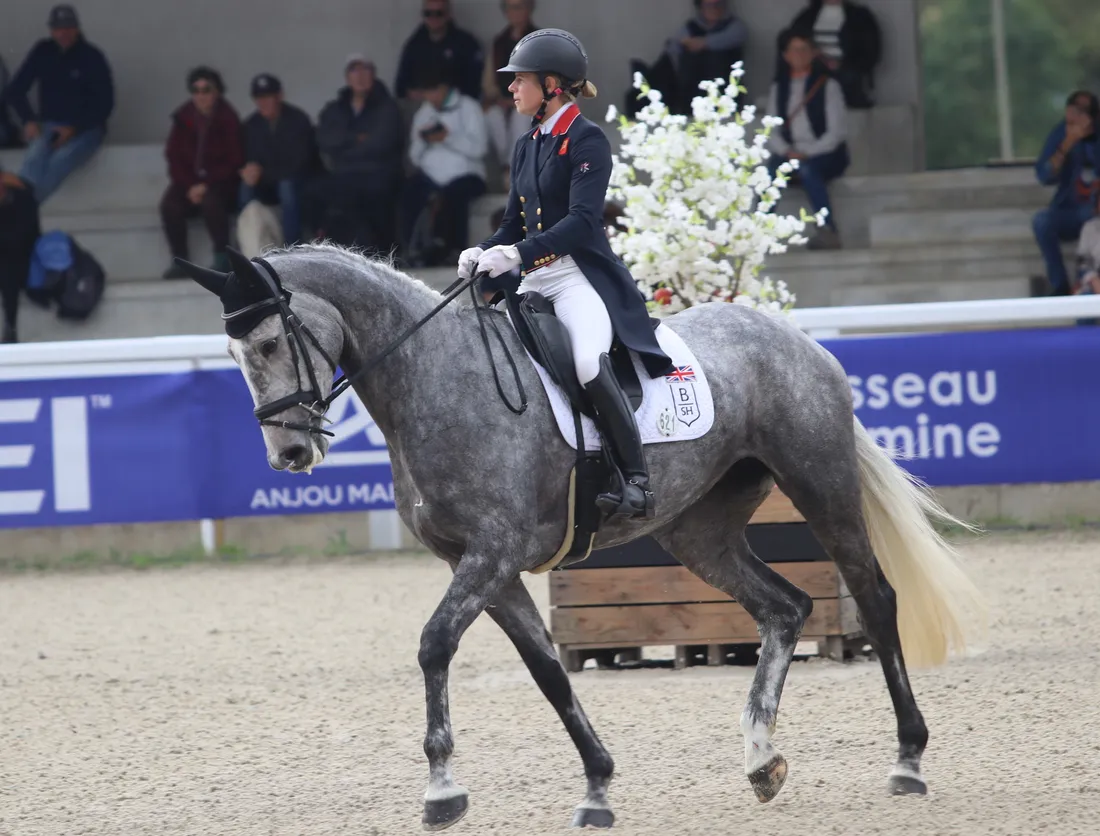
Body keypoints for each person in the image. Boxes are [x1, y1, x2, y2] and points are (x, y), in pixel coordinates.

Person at [457, 29, 674, 520]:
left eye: (520, 80)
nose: (511, 89)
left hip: (577, 276)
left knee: (586, 365)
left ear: (552, 84)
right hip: (534, 278)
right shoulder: (526, 144)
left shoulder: (587, 139)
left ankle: (636, 479)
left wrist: (514, 254)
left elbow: (580, 222)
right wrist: (483, 249)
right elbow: (511, 222)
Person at [5, 5, 115, 203]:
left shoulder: (92, 56)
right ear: (51, 30)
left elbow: (105, 104)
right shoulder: (43, 51)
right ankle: (19, 207)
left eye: (68, 27)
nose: (63, 33)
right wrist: (28, 120)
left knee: (61, 159)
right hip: (48, 126)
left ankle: (21, 208)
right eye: (58, 28)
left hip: (86, 129)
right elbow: (15, 90)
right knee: (34, 156)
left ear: (77, 29)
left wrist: (74, 128)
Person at [309, 55, 404, 253]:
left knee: (371, 194)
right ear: (347, 77)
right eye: (355, 71)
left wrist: (344, 147)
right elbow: (325, 139)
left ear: (373, 75)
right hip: (343, 174)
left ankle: (376, 253)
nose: (360, 76)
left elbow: (382, 143)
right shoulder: (335, 108)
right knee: (314, 191)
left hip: (379, 172)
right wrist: (355, 138)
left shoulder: (387, 106)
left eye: (365, 70)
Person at [766, 26, 849, 249]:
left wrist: (806, 154)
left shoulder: (828, 86)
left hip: (824, 154)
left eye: (804, 49)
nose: (799, 55)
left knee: (809, 170)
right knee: (771, 171)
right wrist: (787, 151)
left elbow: (836, 132)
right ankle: (758, 230)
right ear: (785, 56)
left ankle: (828, 229)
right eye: (794, 50)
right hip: (791, 152)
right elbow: (771, 128)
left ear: (813, 53)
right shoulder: (779, 88)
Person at [401, 61, 488, 267]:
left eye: (434, 91)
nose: (431, 98)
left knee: (454, 198)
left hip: (465, 175)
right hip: (430, 176)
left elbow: (479, 149)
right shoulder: (424, 112)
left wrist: (448, 137)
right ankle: (411, 250)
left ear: (445, 88)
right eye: (427, 93)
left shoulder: (469, 107)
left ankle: (454, 252)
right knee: (407, 195)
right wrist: (424, 139)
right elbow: (414, 156)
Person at [159, 67, 244, 278]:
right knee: (169, 205)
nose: (200, 95)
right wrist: (190, 185)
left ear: (217, 92)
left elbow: (235, 160)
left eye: (206, 90)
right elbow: (173, 156)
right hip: (189, 183)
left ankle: (222, 257)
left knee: (212, 202)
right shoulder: (183, 117)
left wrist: (205, 184)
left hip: (220, 182)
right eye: (195, 90)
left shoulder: (228, 118)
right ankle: (180, 260)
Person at [238, 73, 317, 248]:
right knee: (245, 188)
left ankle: (292, 247)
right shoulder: (251, 124)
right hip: (266, 183)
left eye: (267, 97)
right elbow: (249, 158)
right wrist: (249, 171)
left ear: (279, 96)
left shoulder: (297, 119)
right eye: (259, 97)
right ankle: (248, 248)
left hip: (299, 181)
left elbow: (300, 163)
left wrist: (263, 172)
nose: (263, 102)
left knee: (287, 187)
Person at [1032, 91, 1100, 296]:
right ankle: (1059, 285)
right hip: (1068, 209)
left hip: (1095, 211)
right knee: (1042, 221)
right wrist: (1067, 144)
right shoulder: (1062, 132)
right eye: (1073, 110)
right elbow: (1044, 176)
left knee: (1090, 220)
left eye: (1082, 112)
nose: (1076, 118)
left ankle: (1085, 284)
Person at [784, 0, 881, 109]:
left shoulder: (859, 16)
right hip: (813, 72)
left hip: (846, 74)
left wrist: (842, 65)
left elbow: (870, 51)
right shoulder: (807, 16)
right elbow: (792, 42)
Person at [482, 0, 539, 184]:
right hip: (503, 100)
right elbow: (489, 81)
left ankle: (511, 170)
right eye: (509, 8)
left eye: (518, 7)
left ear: (529, 8)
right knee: (491, 115)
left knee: (520, 116)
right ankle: (509, 167)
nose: (514, 12)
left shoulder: (539, 39)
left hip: (530, 101)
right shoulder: (499, 42)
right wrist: (498, 97)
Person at [394, 0, 484, 103]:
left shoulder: (466, 43)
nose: (433, 18)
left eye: (439, 13)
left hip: (457, 107)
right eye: (428, 14)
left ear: (448, 14)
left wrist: (447, 95)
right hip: (419, 105)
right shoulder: (414, 45)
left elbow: (475, 87)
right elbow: (400, 88)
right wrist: (421, 94)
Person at [0, 166, 41, 344]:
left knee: (8, 269)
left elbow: (22, 238)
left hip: (25, 257)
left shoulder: (22, 198)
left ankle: (11, 326)